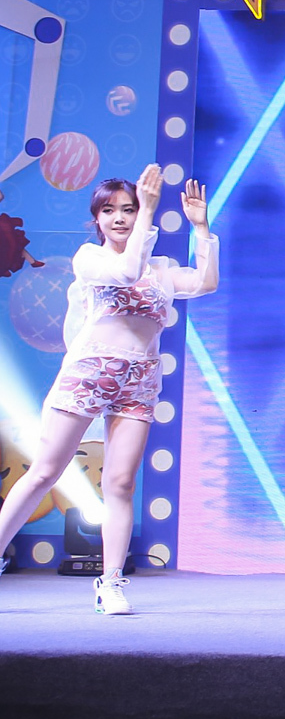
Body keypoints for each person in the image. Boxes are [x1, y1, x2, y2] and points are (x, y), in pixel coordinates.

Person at [0, 165, 217, 614]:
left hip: (139, 380)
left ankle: (111, 582)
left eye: (129, 209)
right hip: (89, 373)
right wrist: (150, 212)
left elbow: (205, 282)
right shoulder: (90, 258)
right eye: (110, 210)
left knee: (120, 483)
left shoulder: (161, 269)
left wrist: (201, 229)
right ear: (96, 218)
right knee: (44, 472)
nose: (120, 217)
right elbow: (125, 272)